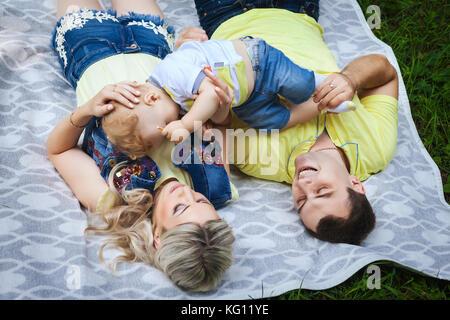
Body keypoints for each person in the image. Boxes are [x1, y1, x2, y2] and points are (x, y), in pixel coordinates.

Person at [46, 0, 237, 292]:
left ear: (158, 236)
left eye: (181, 207)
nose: (187, 192)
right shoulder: (212, 180)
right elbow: (218, 123)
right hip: (153, 46)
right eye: (203, 202)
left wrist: (87, 109)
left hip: (87, 50)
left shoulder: (117, 200)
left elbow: (59, 151)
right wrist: (221, 102)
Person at [177, 0, 399, 245]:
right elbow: (385, 72)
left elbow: (212, 120)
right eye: (322, 191)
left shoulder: (263, 162)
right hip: (299, 10)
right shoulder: (376, 149)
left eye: (301, 201)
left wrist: (185, 51)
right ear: (356, 185)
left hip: (228, 12)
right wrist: (350, 79)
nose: (304, 186)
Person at [147, 37, 355, 144]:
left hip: (258, 62)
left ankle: (321, 83)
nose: (169, 127)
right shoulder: (169, 102)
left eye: (165, 124)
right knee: (271, 124)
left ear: (152, 98)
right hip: (246, 100)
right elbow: (215, 113)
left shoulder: (171, 74)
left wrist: (185, 125)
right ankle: (324, 105)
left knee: (298, 86)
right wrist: (205, 130)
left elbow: (210, 94)